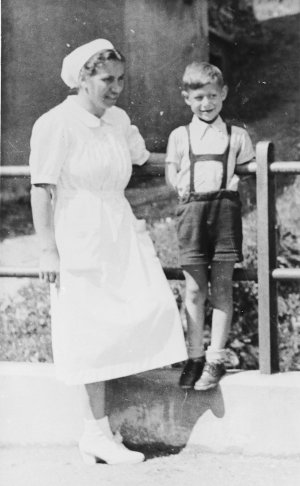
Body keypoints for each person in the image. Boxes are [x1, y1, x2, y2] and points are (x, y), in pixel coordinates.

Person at [29, 38, 187, 465]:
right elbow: (41, 189)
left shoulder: (118, 119)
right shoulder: (55, 124)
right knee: (90, 332)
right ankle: (95, 432)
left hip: (118, 227)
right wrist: (48, 251)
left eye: (120, 78)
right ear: (83, 79)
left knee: (150, 308)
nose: (115, 87)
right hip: (78, 232)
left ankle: (104, 426)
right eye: (106, 79)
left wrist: (189, 155)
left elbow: (144, 159)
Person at [165, 61, 255, 391]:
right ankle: (194, 357)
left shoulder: (236, 136)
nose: (207, 103)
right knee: (193, 289)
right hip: (191, 213)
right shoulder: (179, 136)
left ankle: (215, 358)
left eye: (213, 96)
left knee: (222, 288)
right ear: (187, 98)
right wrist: (178, 185)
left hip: (225, 213)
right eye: (199, 96)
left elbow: (251, 167)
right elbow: (171, 172)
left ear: (224, 94)